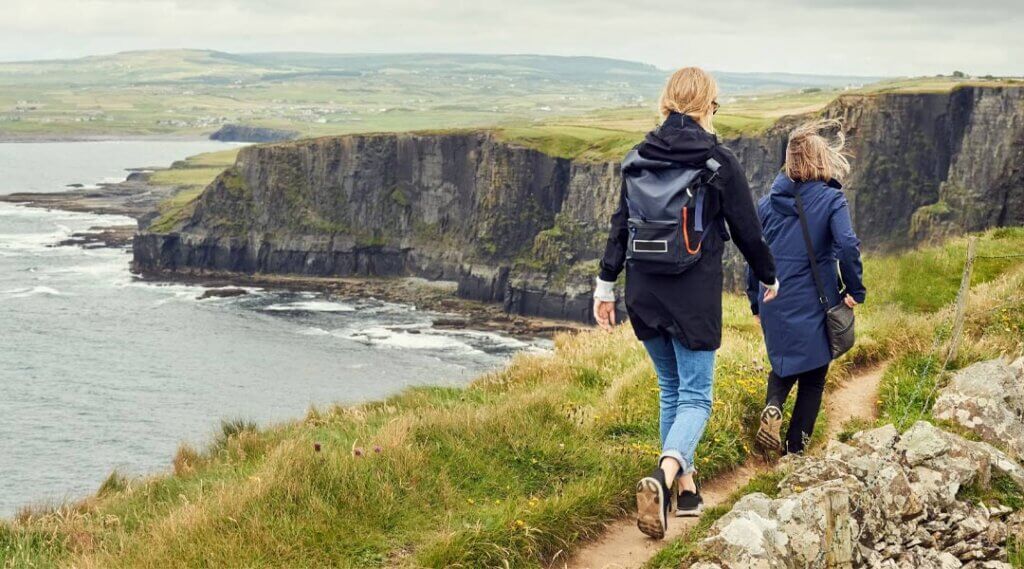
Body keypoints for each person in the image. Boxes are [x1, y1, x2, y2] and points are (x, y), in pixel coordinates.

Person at [593, 67, 779, 540]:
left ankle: (685, 489)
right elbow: (746, 228)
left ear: (666, 102)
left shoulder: (637, 156)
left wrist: (604, 285)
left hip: (643, 291)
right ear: (707, 106)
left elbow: (621, 223)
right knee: (695, 396)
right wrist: (768, 276)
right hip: (692, 295)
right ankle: (664, 474)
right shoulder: (717, 161)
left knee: (670, 388)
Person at [746, 119, 866, 456]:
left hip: (772, 297)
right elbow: (846, 244)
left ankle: (773, 405)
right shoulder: (831, 200)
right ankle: (794, 452)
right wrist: (855, 290)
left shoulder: (766, 204)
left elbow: (753, 255)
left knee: (784, 362)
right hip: (815, 298)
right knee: (813, 375)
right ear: (821, 160)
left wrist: (755, 303)